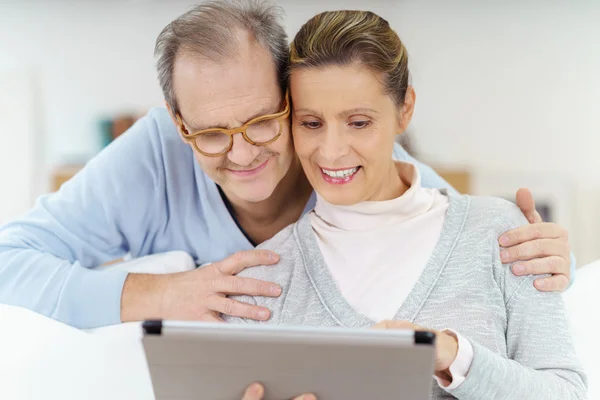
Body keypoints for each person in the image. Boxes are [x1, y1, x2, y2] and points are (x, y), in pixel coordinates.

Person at [0, 1, 572, 331]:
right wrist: (157, 295)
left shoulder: (345, 161)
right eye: (210, 135)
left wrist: (535, 260)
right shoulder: (152, 154)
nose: (243, 153)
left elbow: (454, 232)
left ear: (291, 98)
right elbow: (8, 262)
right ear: (179, 125)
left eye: (264, 122)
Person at [223, 9, 587, 399]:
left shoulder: (500, 233)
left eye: (359, 122)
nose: (330, 151)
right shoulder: (262, 282)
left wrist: (453, 356)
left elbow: (566, 393)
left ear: (405, 109)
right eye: (311, 123)